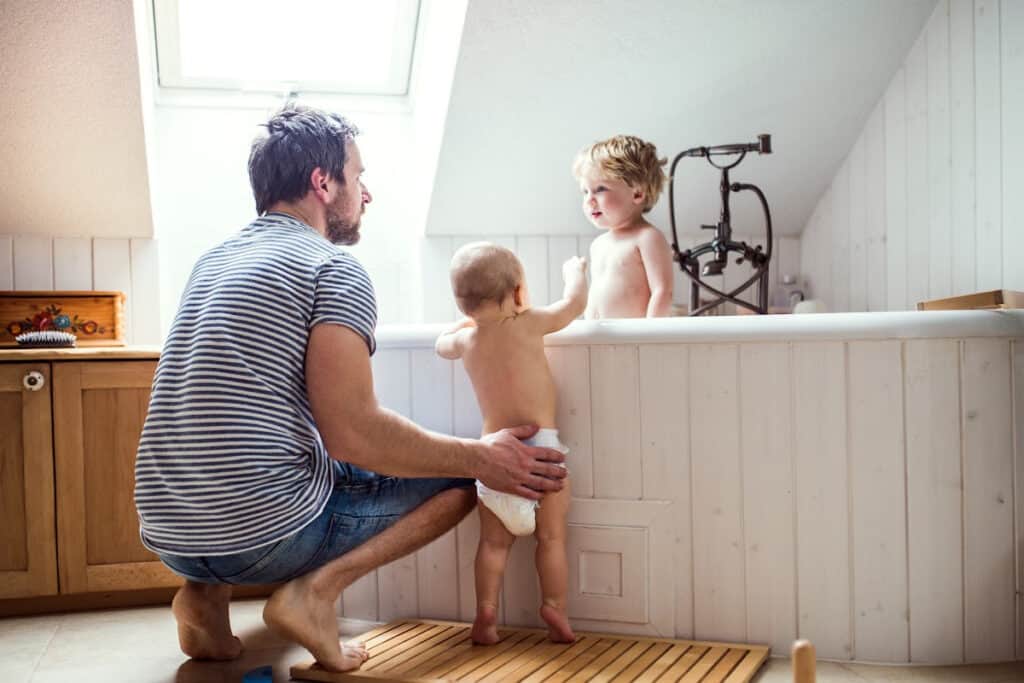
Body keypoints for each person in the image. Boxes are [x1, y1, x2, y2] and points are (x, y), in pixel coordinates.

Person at [133, 105, 567, 673]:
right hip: (258, 535)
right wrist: (482, 457)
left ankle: (202, 598)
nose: (367, 194)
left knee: (274, 449)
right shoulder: (330, 268)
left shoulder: (212, 261)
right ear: (322, 182)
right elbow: (353, 433)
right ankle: (314, 594)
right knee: (465, 472)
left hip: (168, 531)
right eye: (358, 177)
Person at [434, 242, 587, 645]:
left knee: (492, 545)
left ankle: (485, 615)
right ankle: (554, 606)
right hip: (543, 455)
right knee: (551, 539)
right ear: (519, 293)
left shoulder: (466, 341)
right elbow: (573, 306)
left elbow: (439, 344)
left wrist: (464, 324)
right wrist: (576, 272)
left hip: (495, 459)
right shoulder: (531, 322)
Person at [572, 135, 674, 318]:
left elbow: (662, 291)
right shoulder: (598, 244)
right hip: (598, 336)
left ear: (637, 193)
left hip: (632, 338)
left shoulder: (647, 237)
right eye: (585, 191)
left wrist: (649, 334)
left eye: (600, 189)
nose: (589, 200)